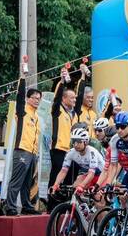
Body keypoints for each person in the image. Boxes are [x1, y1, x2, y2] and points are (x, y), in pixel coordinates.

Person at [47, 64, 88, 211]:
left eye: (75, 98)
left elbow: (80, 94)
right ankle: (51, 207)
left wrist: (83, 77)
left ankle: (64, 207)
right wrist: (62, 81)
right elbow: (56, 97)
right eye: (71, 98)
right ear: (64, 99)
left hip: (73, 151)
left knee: (71, 179)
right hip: (59, 149)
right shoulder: (57, 111)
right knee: (57, 178)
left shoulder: (75, 113)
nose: (74, 100)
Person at [6, 69, 42, 216]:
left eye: (38, 98)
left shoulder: (37, 116)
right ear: (28, 99)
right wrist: (22, 79)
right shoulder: (22, 111)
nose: (36, 100)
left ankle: (27, 206)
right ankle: (10, 207)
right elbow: (19, 96)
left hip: (32, 153)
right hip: (22, 150)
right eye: (34, 98)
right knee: (16, 181)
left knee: (28, 183)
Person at [50, 128, 103, 195]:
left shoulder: (92, 152)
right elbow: (63, 171)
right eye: (73, 141)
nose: (75, 145)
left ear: (85, 142)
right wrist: (56, 184)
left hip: (102, 175)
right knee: (75, 188)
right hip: (89, 175)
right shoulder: (71, 153)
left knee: (98, 199)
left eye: (79, 142)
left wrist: (82, 186)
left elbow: (91, 174)